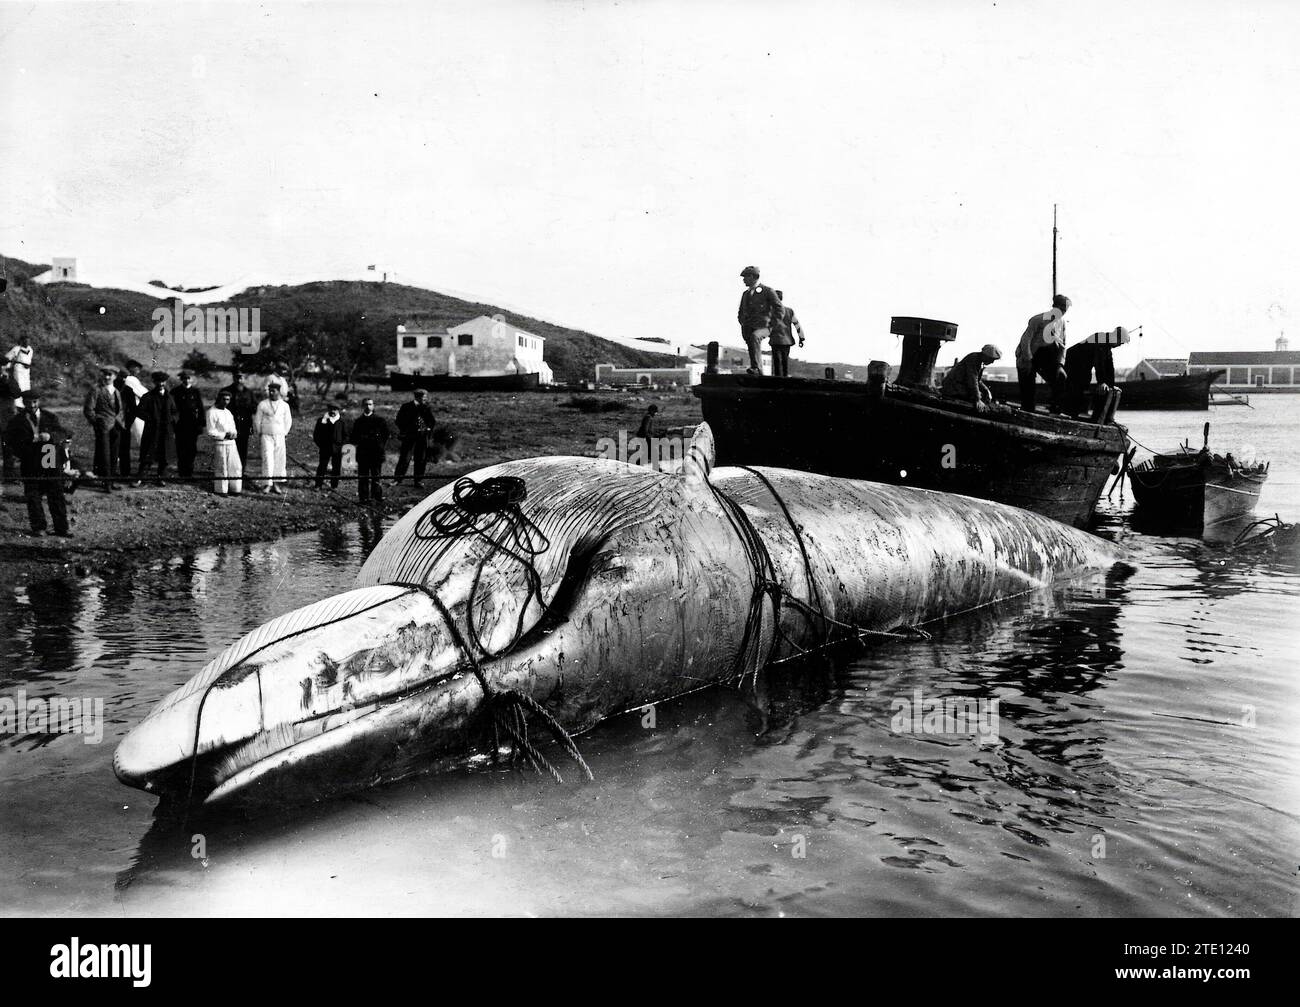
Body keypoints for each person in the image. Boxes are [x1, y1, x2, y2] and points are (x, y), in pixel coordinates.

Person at [5, 388, 70, 537]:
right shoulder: (17, 421)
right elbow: (9, 441)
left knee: (56, 493)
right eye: (28, 402)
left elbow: (62, 433)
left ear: (38, 401)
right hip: (30, 461)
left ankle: (62, 528)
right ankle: (39, 527)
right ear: (23, 402)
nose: (32, 405)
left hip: (49, 457)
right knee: (33, 495)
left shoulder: (50, 417)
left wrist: (51, 436)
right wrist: (27, 444)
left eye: (34, 402)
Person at [1015, 294, 1070, 412]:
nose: (1062, 312)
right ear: (1054, 306)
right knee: (1028, 387)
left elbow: (1063, 345)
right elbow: (1026, 341)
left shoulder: (1062, 323)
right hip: (1027, 355)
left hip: (1044, 356)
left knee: (1061, 377)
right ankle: (1028, 411)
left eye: (1065, 310)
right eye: (1060, 309)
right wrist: (1028, 360)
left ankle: (1055, 410)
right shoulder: (1038, 319)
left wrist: (1060, 365)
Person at [1063, 327, 1129, 417]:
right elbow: (1099, 363)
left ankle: (1075, 412)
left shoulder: (1107, 346)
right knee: (1078, 383)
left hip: (1084, 364)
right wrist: (1101, 382)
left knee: (1084, 382)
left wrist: (1111, 385)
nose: (1119, 345)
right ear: (1116, 337)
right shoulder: (1100, 338)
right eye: (1120, 343)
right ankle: (1068, 412)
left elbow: (1109, 367)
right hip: (1074, 360)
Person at [82, 366, 125, 491]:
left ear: (115, 376)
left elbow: (120, 409)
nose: (107, 377)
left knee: (114, 455)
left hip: (116, 427)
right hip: (103, 427)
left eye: (109, 375)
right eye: (105, 374)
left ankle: (111, 481)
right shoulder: (96, 390)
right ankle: (106, 483)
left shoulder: (116, 391)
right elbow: (88, 410)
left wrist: (120, 422)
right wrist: (97, 422)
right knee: (104, 455)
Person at [737, 266, 783, 375]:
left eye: (745, 277)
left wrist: (772, 324)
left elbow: (779, 308)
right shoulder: (746, 294)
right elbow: (741, 310)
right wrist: (742, 322)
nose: (743, 280)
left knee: (755, 337)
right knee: (751, 343)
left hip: (764, 327)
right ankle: (757, 370)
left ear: (753, 277)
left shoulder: (767, 291)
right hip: (748, 326)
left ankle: (756, 368)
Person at [134, 371, 177, 486]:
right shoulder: (147, 397)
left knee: (164, 457)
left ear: (165, 382)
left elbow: (175, 412)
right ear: (154, 382)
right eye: (158, 381)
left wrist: (172, 420)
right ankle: (140, 478)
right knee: (147, 455)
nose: (161, 384)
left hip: (166, 431)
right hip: (152, 431)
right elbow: (139, 411)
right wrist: (151, 419)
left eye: (162, 381)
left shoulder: (170, 397)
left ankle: (161, 478)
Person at [253, 383, 292, 494]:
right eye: (270, 390)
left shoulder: (284, 405)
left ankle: (276, 484)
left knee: (279, 460)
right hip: (266, 436)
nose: (271, 392)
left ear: (279, 392)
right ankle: (267, 484)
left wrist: (284, 433)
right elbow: (258, 420)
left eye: (273, 391)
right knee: (267, 458)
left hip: (279, 436)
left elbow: (288, 421)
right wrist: (260, 432)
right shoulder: (263, 404)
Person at [350, 397, 390, 504]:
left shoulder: (380, 420)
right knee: (363, 477)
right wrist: (363, 440)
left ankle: (377, 496)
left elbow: (386, 435)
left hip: (376, 453)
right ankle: (363, 498)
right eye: (366, 404)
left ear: (373, 406)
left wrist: (380, 445)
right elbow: (353, 438)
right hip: (363, 454)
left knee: (376, 476)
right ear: (362, 406)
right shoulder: (358, 422)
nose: (368, 406)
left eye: (370, 404)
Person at [393, 389, 436, 488]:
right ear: (418, 397)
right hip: (409, 437)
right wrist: (405, 430)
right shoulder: (406, 407)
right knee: (405, 458)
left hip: (422, 437)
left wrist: (428, 429)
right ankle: (397, 480)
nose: (425, 400)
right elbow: (398, 420)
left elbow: (432, 421)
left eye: (426, 398)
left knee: (421, 459)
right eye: (424, 398)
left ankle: (418, 481)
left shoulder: (426, 407)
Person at [205, 389, 243, 496]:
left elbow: (233, 427)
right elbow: (210, 431)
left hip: (231, 443)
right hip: (220, 444)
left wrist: (234, 433)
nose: (226, 402)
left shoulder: (228, 412)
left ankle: (235, 488)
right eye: (224, 399)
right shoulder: (211, 412)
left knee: (235, 466)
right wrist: (223, 435)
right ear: (219, 399)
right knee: (222, 467)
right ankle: (221, 490)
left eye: (228, 399)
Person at [941, 344, 1002, 411]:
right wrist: (977, 399)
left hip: (958, 387)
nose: (992, 362)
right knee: (978, 399)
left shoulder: (979, 361)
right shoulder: (973, 359)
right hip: (952, 388)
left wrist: (986, 390)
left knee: (983, 395)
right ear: (985, 356)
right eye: (991, 359)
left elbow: (977, 380)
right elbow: (972, 380)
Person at [114, 361, 148, 479]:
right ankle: (123, 472)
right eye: (136, 368)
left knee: (122, 446)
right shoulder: (130, 381)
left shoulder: (129, 385)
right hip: (125, 418)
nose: (138, 370)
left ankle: (124, 472)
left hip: (128, 417)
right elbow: (144, 393)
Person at [173, 370, 205, 482]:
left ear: (190, 379)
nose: (186, 380)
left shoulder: (195, 391)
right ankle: (182, 474)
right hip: (180, 424)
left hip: (192, 425)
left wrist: (201, 424)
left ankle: (189, 473)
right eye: (184, 378)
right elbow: (172, 409)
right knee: (181, 449)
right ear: (181, 379)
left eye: (188, 378)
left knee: (191, 449)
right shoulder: (176, 391)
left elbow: (200, 408)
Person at [220, 370, 257, 466]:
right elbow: (219, 408)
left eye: (241, 378)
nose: (239, 380)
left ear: (244, 379)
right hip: (230, 425)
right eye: (237, 377)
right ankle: (229, 471)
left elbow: (255, 408)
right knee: (229, 448)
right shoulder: (226, 391)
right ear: (233, 378)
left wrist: (248, 406)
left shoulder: (249, 392)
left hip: (244, 425)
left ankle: (241, 471)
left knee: (243, 449)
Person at [770, 290, 806, 378]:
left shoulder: (770, 311)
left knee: (776, 361)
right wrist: (801, 338)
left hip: (775, 339)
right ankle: (785, 378)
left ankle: (778, 379)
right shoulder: (789, 311)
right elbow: (797, 324)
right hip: (787, 340)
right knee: (785, 360)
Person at [313, 402, 348, 490]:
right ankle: (318, 485)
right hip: (325, 447)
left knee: (336, 467)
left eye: (335, 410)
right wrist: (321, 444)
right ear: (328, 410)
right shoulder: (322, 420)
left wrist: (341, 445)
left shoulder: (342, 422)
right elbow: (316, 435)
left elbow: (346, 435)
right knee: (322, 466)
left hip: (337, 449)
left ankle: (334, 485)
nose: (332, 411)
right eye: (331, 409)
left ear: (338, 410)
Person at [4, 335, 33, 408]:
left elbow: (29, 359)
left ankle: (27, 403)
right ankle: (19, 404)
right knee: (20, 385)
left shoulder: (30, 349)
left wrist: (28, 365)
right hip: (19, 369)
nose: (27, 342)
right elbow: (8, 358)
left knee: (27, 386)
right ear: (22, 341)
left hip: (26, 371)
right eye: (25, 341)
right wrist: (6, 367)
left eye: (28, 341)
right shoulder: (17, 349)